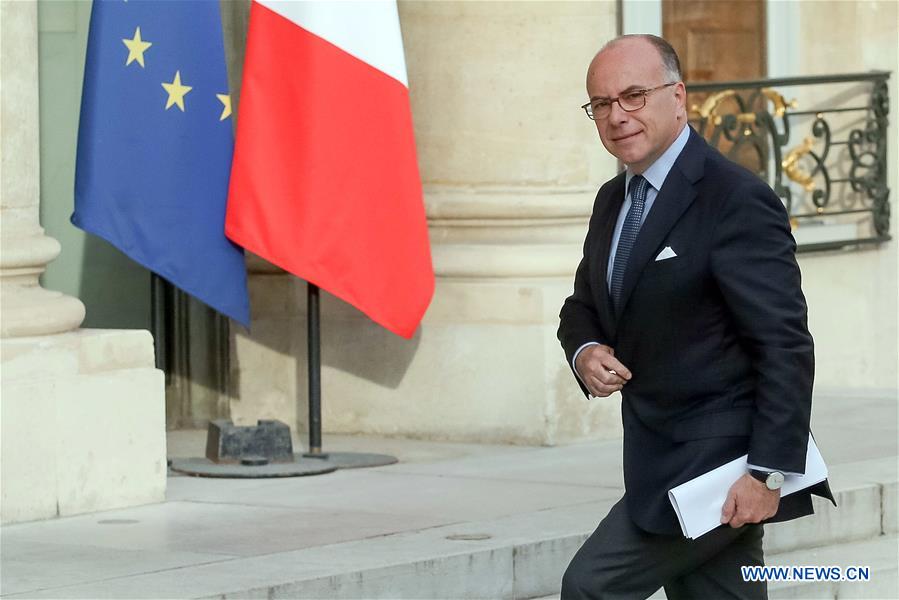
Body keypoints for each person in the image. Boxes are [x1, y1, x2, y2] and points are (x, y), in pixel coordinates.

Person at [557, 34, 834, 599]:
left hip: (719, 466)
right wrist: (585, 350)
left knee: (590, 587)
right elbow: (582, 305)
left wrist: (767, 474)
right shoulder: (613, 200)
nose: (617, 116)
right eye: (602, 104)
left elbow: (784, 345)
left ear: (678, 97)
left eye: (633, 96)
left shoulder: (735, 198)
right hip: (656, 455)